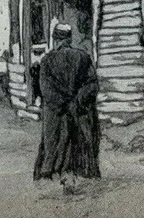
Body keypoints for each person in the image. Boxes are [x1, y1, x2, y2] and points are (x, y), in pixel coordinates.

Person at [33, 24, 100, 195]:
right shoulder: (83, 57)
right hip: (77, 114)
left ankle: (60, 178)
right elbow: (92, 85)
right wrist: (76, 102)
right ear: (69, 39)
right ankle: (70, 178)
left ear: (55, 39)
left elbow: (46, 90)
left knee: (56, 146)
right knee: (76, 145)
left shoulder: (47, 60)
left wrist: (62, 103)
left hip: (57, 115)